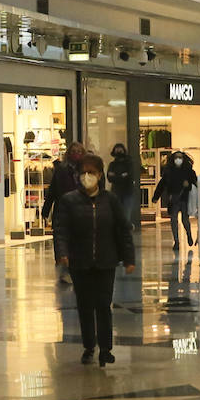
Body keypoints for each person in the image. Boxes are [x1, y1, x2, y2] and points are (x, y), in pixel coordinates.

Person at [53, 154, 136, 367]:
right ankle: (89, 346)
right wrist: (62, 253)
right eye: (83, 173)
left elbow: (123, 229)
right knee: (85, 305)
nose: (87, 177)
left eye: (92, 172)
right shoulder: (69, 201)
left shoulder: (111, 200)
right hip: (80, 262)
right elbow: (61, 230)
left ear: (100, 175)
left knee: (103, 304)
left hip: (105, 261)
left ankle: (106, 348)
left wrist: (129, 258)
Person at [44, 141, 86, 282]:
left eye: (79, 152)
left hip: (80, 210)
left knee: (76, 240)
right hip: (62, 209)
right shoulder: (61, 170)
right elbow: (52, 191)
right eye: (73, 151)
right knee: (61, 239)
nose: (76, 154)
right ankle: (63, 268)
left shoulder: (86, 170)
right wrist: (46, 209)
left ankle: (74, 268)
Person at [153, 149, 198, 250]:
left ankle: (189, 234)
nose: (178, 159)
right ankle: (176, 241)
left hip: (184, 198)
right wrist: (156, 196)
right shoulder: (169, 171)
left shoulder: (188, 170)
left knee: (185, 219)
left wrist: (190, 186)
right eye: (176, 158)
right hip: (173, 198)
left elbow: (195, 182)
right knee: (173, 219)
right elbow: (162, 184)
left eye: (180, 157)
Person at [106, 143, 138, 227]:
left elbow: (130, 176)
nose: (119, 152)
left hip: (128, 192)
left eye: (120, 150)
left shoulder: (129, 163)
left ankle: (124, 231)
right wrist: (122, 176)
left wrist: (116, 176)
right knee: (116, 213)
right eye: (117, 150)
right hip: (116, 192)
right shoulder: (112, 164)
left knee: (126, 214)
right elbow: (109, 178)